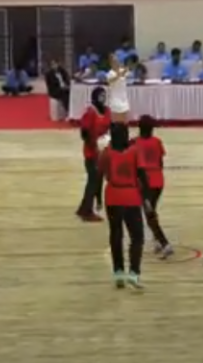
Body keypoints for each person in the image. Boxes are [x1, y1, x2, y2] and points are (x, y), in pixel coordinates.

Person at [98, 124, 147, 289]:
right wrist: (146, 199)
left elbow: (100, 174)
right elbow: (142, 175)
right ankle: (134, 272)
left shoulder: (106, 153)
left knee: (116, 235)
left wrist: (97, 199)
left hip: (112, 195)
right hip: (131, 195)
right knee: (137, 236)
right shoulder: (134, 151)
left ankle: (118, 272)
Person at [131, 115, 174, 259]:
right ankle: (157, 241)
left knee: (149, 215)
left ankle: (165, 243)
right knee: (152, 212)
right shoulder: (157, 142)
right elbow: (160, 163)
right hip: (158, 181)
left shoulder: (134, 143)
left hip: (145, 184)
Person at [76, 87, 111, 222]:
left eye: (104, 95)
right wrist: (94, 143)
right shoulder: (90, 112)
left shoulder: (107, 111)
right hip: (91, 152)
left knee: (97, 180)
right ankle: (87, 211)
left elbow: (109, 128)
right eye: (100, 96)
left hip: (103, 152)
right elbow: (84, 133)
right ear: (94, 97)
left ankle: (84, 208)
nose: (103, 98)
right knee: (93, 181)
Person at [106, 53, 130, 123]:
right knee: (116, 122)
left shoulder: (123, 70)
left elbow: (128, 72)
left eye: (117, 61)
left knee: (124, 121)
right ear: (111, 63)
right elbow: (110, 80)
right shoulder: (110, 73)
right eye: (114, 61)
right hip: (115, 100)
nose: (117, 63)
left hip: (124, 99)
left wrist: (126, 69)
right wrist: (120, 74)